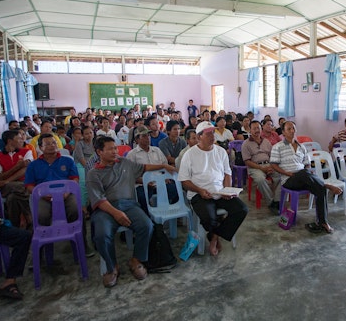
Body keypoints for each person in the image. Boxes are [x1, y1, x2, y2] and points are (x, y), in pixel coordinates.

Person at [86, 136, 174, 287]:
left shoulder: (124, 162)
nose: (115, 151)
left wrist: (163, 166)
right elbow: (98, 200)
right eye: (110, 149)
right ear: (99, 152)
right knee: (102, 234)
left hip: (129, 205)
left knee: (146, 225)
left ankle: (136, 260)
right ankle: (112, 267)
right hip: (105, 209)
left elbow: (144, 167)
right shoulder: (93, 174)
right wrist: (116, 213)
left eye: (115, 148)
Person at [178, 121, 249, 256]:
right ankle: (215, 236)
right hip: (199, 194)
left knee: (242, 209)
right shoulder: (190, 154)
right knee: (210, 218)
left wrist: (226, 190)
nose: (212, 135)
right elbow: (184, 181)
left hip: (219, 192)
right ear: (199, 137)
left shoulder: (221, 151)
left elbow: (227, 173)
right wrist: (199, 190)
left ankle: (214, 237)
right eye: (208, 133)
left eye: (213, 132)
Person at [270, 121, 342, 234]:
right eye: (289, 129)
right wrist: (287, 173)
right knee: (304, 173)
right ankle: (326, 184)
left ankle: (322, 222)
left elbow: (307, 165)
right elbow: (273, 165)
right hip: (289, 180)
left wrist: (307, 171)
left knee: (319, 187)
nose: (292, 131)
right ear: (283, 132)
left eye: (293, 128)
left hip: (304, 177)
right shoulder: (277, 147)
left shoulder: (302, 147)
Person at [126, 126, 177, 213]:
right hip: (143, 184)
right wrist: (144, 181)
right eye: (144, 136)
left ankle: (170, 214)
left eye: (148, 135)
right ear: (137, 139)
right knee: (142, 197)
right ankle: (150, 219)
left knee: (176, 190)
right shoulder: (132, 155)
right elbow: (130, 175)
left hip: (160, 181)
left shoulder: (157, 150)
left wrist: (166, 177)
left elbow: (165, 165)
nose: (148, 138)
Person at [0, 130, 33, 229]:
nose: (22, 139)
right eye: (19, 138)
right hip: (6, 187)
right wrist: (17, 167)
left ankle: (16, 226)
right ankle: (29, 216)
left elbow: (26, 169)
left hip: (19, 184)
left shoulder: (26, 151)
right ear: (10, 141)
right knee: (24, 188)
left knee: (12, 198)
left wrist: (7, 180)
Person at [242, 120, 281, 214]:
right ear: (250, 130)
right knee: (260, 179)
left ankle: (276, 200)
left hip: (268, 164)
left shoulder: (266, 141)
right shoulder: (246, 144)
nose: (257, 130)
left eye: (258, 128)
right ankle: (271, 202)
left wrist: (271, 166)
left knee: (281, 176)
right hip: (255, 167)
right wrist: (261, 168)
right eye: (254, 128)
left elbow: (272, 156)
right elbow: (247, 161)